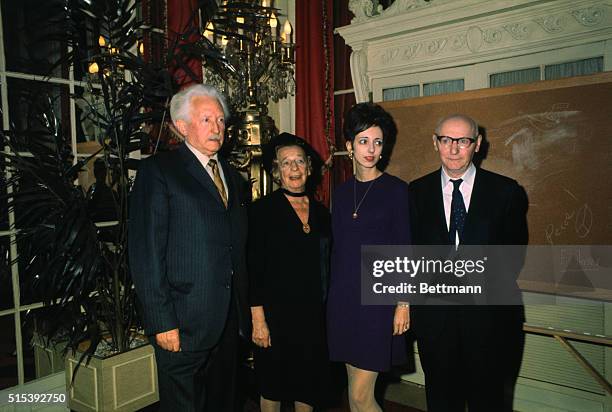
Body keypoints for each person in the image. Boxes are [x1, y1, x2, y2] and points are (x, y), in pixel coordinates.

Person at [128, 83, 249, 411]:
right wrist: (161, 320)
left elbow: (235, 250)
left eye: (221, 120)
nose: (217, 128)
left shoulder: (235, 180)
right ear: (181, 126)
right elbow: (146, 253)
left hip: (227, 323)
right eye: (207, 119)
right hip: (181, 323)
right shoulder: (159, 172)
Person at [408, 114, 528, 412]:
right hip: (435, 321)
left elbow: (514, 256)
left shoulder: (506, 191)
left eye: (463, 141)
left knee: (488, 402)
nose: (453, 148)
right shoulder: (415, 193)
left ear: (477, 144)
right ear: (435, 143)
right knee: (440, 401)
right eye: (446, 140)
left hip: (489, 321)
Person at [327, 102, 411, 411]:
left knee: (362, 395)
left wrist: (403, 304)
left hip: (378, 303)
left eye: (377, 142)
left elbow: (404, 250)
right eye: (364, 141)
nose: (371, 149)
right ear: (349, 145)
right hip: (343, 301)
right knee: (353, 393)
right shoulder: (340, 192)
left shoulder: (396, 191)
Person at [248, 132, 331, 412]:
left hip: (312, 319)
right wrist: (258, 320)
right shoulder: (261, 211)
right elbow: (253, 267)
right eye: (286, 163)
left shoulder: (322, 214)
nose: (294, 169)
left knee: (308, 387)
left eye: (299, 162)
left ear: (309, 167)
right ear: (276, 171)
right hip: (274, 318)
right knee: (272, 386)